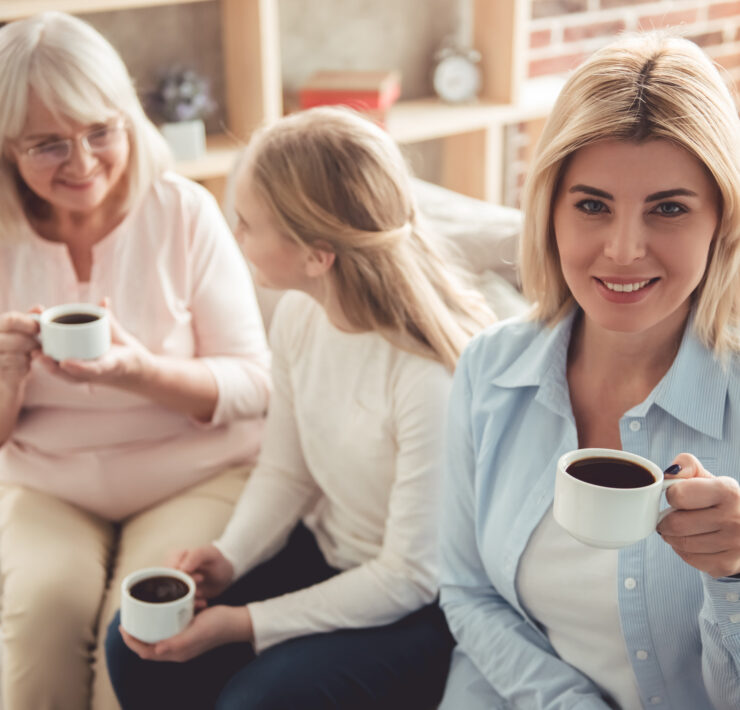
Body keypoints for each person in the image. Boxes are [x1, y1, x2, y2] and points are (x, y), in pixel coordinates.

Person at [104, 105, 495, 709]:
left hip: (428, 606)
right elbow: (287, 470)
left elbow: (410, 576)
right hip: (334, 556)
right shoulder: (300, 315)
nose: (238, 239)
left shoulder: (428, 378)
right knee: (136, 644)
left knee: (257, 701)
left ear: (317, 255)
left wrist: (242, 623)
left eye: (248, 224)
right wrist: (229, 560)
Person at [437, 30, 740, 710]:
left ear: (723, 220)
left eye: (668, 208)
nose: (624, 249)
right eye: (592, 204)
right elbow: (467, 592)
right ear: (549, 211)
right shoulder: (489, 370)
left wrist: (732, 576)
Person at [0, 12, 271, 710]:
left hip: (192, 472)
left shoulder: (184, 212)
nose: (83, 164)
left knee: (137, 638)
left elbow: (256, 384)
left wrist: (138, 370)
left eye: (100, 132)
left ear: (128, 118)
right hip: (48, 485)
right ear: (6, 146)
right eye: (47, 145)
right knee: (42, 617)